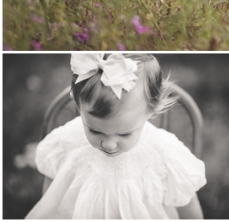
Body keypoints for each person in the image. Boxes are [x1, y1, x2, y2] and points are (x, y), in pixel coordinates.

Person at [27, 53, 206, 219]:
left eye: (125, 134)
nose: (109, 144)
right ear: (78, 105)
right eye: (95, 130)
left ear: (152, 109)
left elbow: (188, 206)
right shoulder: (67, 141)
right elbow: (52, 192)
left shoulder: (164, 153)